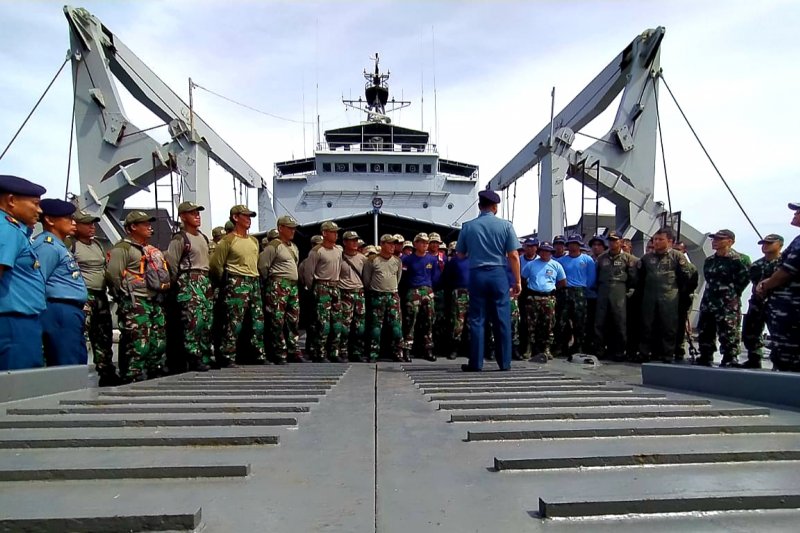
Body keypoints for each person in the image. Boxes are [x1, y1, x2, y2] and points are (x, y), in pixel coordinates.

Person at [456, 190, 521, 372]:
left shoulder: (468, 226)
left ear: (479, 206)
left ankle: (476, 363)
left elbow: (460, 254)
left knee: (477, 319)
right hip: (498, 274)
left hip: (477, 274)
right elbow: (514, 255)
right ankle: (505, 363)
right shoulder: (506, 226)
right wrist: (517, 281)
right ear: (495, 207)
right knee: (502, 319)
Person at [106, 211, 168, 381]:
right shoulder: (123, 249)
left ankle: (154, 369)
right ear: (133, 227)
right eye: (145, 224)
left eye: (149, 223)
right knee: (138, 340)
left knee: (157, 340)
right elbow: (113, 275)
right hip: (136, 301)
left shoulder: (150, 250)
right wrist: (124, 295)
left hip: (154, 300)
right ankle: (134, 374)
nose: (149, 227)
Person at [33, 199, 89, 367]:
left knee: (77, 360)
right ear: (50, 220)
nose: (73, 222)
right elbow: (38, 281)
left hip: (71, 311)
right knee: (66, 362)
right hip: (59, 310)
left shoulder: (59, 245)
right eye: (68, 218)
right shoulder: (47, 246)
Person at [210, 204, 266, 366]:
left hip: (253, 281)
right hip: (236, 281)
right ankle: (228, 356)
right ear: (235, 218)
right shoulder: (227, 241)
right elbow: (216, 265)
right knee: (234, 321)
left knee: (258, 321)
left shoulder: (254, 241)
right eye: (245, 216)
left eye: (250, 216)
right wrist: (228, 282)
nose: (249, 219)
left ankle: (258, 354)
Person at [0, 175, 47, 370]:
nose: (39, 210)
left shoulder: (14, 230)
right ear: (11, 201)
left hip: (19, 322)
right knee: (18, 390)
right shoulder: (7, 230)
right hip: (14, 324)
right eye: (35, 204)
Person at [69, 209, 118, 385]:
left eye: (93, 224)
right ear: (77, 226)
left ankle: (106, 371)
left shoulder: (97, 244)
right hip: (84, 295)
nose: (92, 227)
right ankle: (76, 373)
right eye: (87, 224)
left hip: (100, 294)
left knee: (103, 335)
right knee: (80, 334)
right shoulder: (71, 244)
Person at [164, 201, 214, 372]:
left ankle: (205, 355)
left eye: (197, 213)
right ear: (183, 216)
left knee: (206, 321)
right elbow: (172, 264)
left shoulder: (203, 237)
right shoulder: (180, 239)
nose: (197, 216)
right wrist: (176, 285)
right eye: (192, 213)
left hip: (205, 281)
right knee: (193, 321)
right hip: (189, 281)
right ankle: (193, 357)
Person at [636, 227, 694, 363]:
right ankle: (644, 353)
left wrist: (682, 296)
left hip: (669, 298)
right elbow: (639, 278)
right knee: (647, 325)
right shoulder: (646, 258)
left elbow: (686, 278)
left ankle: (667, 354)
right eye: (655, 239)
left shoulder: (677, 257)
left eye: (660, 239)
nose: (656, 242)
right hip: (649, 297)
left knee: (668, 327)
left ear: (670, 241)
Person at [695, 229, 750, 367]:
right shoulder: (710, 260)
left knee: (729, 330)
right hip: (709, 301)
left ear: (730, 241)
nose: (715, 242)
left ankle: (730, 357)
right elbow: (708, 277)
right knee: (705, 329)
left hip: (728, 302)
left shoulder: (740, 259)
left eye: (720, 239)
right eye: (714, 239)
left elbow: (743, 279)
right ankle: (705, 355)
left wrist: (731, 293)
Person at [756, 203, 800, 371]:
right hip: (786, 306)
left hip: (791, 308)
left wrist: (766, 285)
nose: (795, 214)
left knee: (788, 353)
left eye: (798, 211)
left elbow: (788, 270)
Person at [259, 215, 302, 364]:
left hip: (292, 286)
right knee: (277, 320)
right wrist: (271, 283)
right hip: (278, 284)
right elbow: (263, 266)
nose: (292, 231)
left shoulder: (293, 247)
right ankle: (279, 352)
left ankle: (293, 350)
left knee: (293, 320)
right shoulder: (274, 246)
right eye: (289, 228)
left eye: (293, 228)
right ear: (280, 228)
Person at [302, 221, 343, 362]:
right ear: (325, 233)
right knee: (322, 323)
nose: (336, 234)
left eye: (336, 231)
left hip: (335, 286)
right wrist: (314, 289)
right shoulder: (316, 251)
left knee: (337, 322)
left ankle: (334, 352)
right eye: (333, 232)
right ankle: (320, 353)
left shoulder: (338, 250)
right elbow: (309, 273)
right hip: (322, 286)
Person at [741, 234, 783, 368]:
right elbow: (751, 281)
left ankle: (779, 364)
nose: (765, 246)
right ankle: (754, 359)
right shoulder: (756, 265)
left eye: (769, 243)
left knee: (779, 334)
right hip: (757, 302)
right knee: (750, 331)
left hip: (777, 304)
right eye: (764, 243)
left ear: (779, 245)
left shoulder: (784, 264)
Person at [594, 231, 637, 361]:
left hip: (619, 290)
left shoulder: (629, 259)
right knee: (600, 322)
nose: (612, 243)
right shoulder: (601, 258)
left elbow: (634, 279)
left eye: (615, 240)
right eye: (610, 240)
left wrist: (628, 293)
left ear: (621, 241)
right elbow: (597, 275)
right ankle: (600, 350)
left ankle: (619, 351)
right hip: (603, 290)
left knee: (619, 322)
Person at [521, 242, 566, 361]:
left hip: (548, 298)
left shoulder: (556, 265)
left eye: (548, 251)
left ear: (551, 253)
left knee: (549, 325)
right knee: (531, 325)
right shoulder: (531, 265)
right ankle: (529, 348)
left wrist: (550, 290)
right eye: (543, 251)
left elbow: (562, 282)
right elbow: (523, 279)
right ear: (539, 252)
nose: (545, 253)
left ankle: (546, 348)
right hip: (533, 297)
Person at [363, 234, 403, 362]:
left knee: (396, 327)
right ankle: (373, 353)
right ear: (382, 244)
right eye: (389, 244)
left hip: (393, 295)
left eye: (394, 244)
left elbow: (398, 277)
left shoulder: (397, 261)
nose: (392, 246)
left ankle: (397, 353)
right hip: (377, 295)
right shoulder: (372, 260)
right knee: (375, 327)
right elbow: (367, 279)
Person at [555, 235, 596, 358]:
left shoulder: (588, 260)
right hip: (565, 291)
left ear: (579, 245)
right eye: (571, 243)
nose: (573, 246)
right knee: (562, 320)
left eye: (575, 243)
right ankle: (561, 346)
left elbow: (591, 278)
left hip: (580, 292)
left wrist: (583, 288)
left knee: (580, 321)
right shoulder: (561, 261)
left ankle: (579, 346)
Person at [401, 233, 441, 361]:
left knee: (429, 321)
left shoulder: (432, 259)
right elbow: (403, 277)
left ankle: (428, 349)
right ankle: (407, 349)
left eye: (426, 242)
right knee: (410, 321)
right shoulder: (407, 259)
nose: (425, 244)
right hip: (413, 291)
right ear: (415, 244)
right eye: (422, 242)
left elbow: (435, 277)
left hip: (428, 291)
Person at [335, 230, 367, 362]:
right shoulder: (339, 258)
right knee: (344, 326)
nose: (355, 242)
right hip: (345, 293)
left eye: (356, 240)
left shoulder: (363, 258)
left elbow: (368, 276)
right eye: (351, 240)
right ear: (344, 242)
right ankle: (342, 351)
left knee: (360, 326)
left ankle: (357, 351)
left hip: (359, 293)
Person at [442, 241, 469, 359]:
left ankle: (470, 348)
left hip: (474, 292)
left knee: (473, 322)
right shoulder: (453, 262)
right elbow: (447, 278)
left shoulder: (475, 261)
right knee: (458, 322)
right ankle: (455, 348)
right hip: (458, 292)